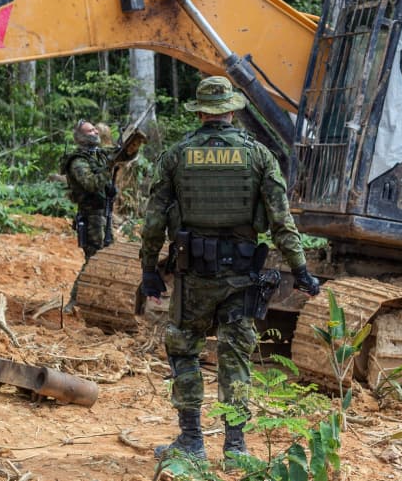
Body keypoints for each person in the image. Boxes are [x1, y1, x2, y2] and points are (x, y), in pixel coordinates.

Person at [139, 75, 321, 462]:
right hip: (241, 278)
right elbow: (281, 222)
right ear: (234, 110)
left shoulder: (176, 156)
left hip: (193, 279)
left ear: (201, 111)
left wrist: (149, 271)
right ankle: (236, 447)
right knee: (235, 357)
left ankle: (191, 442)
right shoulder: (259, 156)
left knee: (185, 353)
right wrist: (301, 270)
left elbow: (154, 221)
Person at [60, 119, 127, 313]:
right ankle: (74, 301)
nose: (96, 132)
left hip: (103, 214)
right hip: (91, 217)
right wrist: (109, 168)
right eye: (90, 130)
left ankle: (97, 300)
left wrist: (131, 145)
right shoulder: (78, 161)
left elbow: (121, 155)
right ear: (81, 137)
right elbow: (91, 184)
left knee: (105, 256)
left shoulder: (98, 154)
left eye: (95, 129)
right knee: (95, 258)